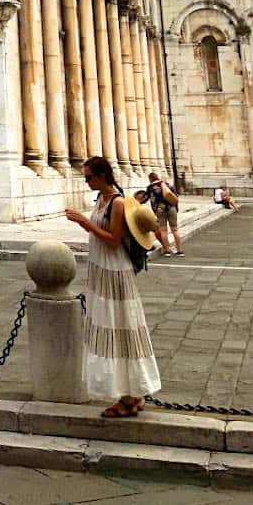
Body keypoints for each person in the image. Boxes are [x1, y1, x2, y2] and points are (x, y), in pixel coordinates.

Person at [65, 155, 161, 417]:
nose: (86, 182)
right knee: (115, 329)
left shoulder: (117, 202)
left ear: (102, 176)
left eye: (88, 177)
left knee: (119, 329)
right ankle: (132, 394)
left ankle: (128, 398)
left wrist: (84, 223)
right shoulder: (101, 200)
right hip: (101, 270)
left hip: (114, 273)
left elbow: (113, 240)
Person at [145, 171, 182, 256]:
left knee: (163, 231)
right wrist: (176, 208)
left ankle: (167, 250)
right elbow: (175, 197)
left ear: (150, 179)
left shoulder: (150, 188)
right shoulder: (167, 184)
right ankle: (179, 250)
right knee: (175, 230)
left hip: (159, 210)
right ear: (157, 177)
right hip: (171, 208)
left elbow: (147, 198)